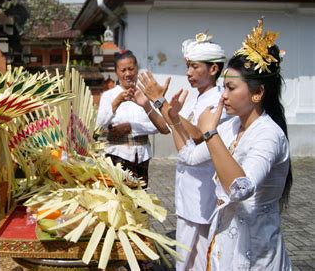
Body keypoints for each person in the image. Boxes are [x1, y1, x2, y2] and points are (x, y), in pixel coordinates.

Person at [163, 18, 292, 269]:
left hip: (256, 249)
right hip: (224, 241)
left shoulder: (268, 135)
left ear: (257, 93)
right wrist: (174, 121)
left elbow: (241, 189)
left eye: (231, 88)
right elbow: (188, 156)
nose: (223, 95)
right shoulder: (232, 127)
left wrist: (210, 133)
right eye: (224, 87)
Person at [138, 32, 228, 270]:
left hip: (204, 193)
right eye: (188, 66)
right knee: (185, 259)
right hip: (188, 191)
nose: (188, 73)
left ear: (214, 69)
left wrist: (162, 102)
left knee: (201, 259)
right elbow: (175, 126)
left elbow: (200, 134)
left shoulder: (218, 101)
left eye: (194, 67)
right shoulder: (195, 99)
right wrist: (152, 104)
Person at [96, 50, 169, 185]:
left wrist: (132, 127)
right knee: (118, 199)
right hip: (116, 155)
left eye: (131, 69)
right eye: (123, 70)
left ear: (137, 69)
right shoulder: (109, 96)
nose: (128, 74)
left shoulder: (147, 94)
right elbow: (98, 126)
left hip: (142, 156)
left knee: (140, 199)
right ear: (116, 72)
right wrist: (116, 102)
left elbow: (159, 125)